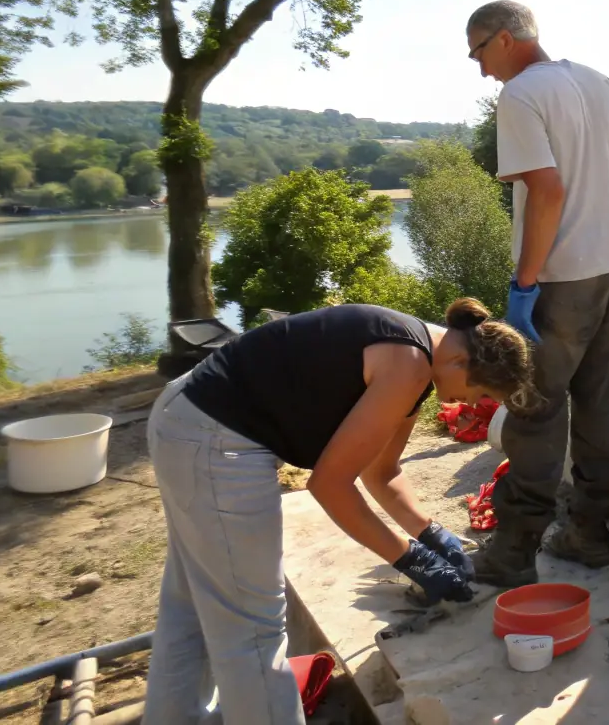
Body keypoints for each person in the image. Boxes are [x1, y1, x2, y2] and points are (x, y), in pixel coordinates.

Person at [143, 300, 534, 725]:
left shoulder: (422, 355)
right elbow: (329, 485)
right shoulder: (409, 363)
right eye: (478, 392)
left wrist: (432, 533)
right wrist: (411, 557)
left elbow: (381, 472)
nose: (471, 403)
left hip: (190, 419)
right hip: (214, 438)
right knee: (253, 628)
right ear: (461, 360)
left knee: (193, 603)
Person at [465, 0, 609, 586]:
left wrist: (524, 284)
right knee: (596, 399)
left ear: (503, 39)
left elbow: (546, 194)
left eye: (477, 52)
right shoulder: (597, 83)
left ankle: (514, 553)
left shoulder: (521, 95)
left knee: (533, 408)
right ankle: (590, 533)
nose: (479, 68)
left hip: (565, 277)